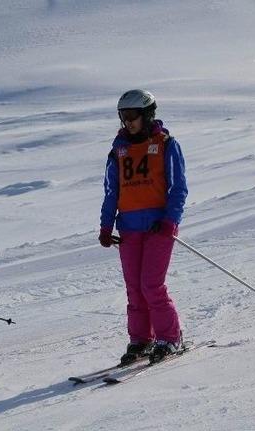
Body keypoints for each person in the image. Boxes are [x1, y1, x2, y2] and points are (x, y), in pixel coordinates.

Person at [98, 89, 188, 364]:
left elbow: (178, 188)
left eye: (133, 116)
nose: (128, 122)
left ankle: (170, 338)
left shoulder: (166, 144)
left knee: (151, 285)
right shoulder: (118, 150)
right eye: (123, 116)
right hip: (128, 228)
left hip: (158, 227)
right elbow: (111, 191)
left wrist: (170, 220)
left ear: (147, 114)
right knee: (134, 288)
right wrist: (105, 226)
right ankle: (141, 340)